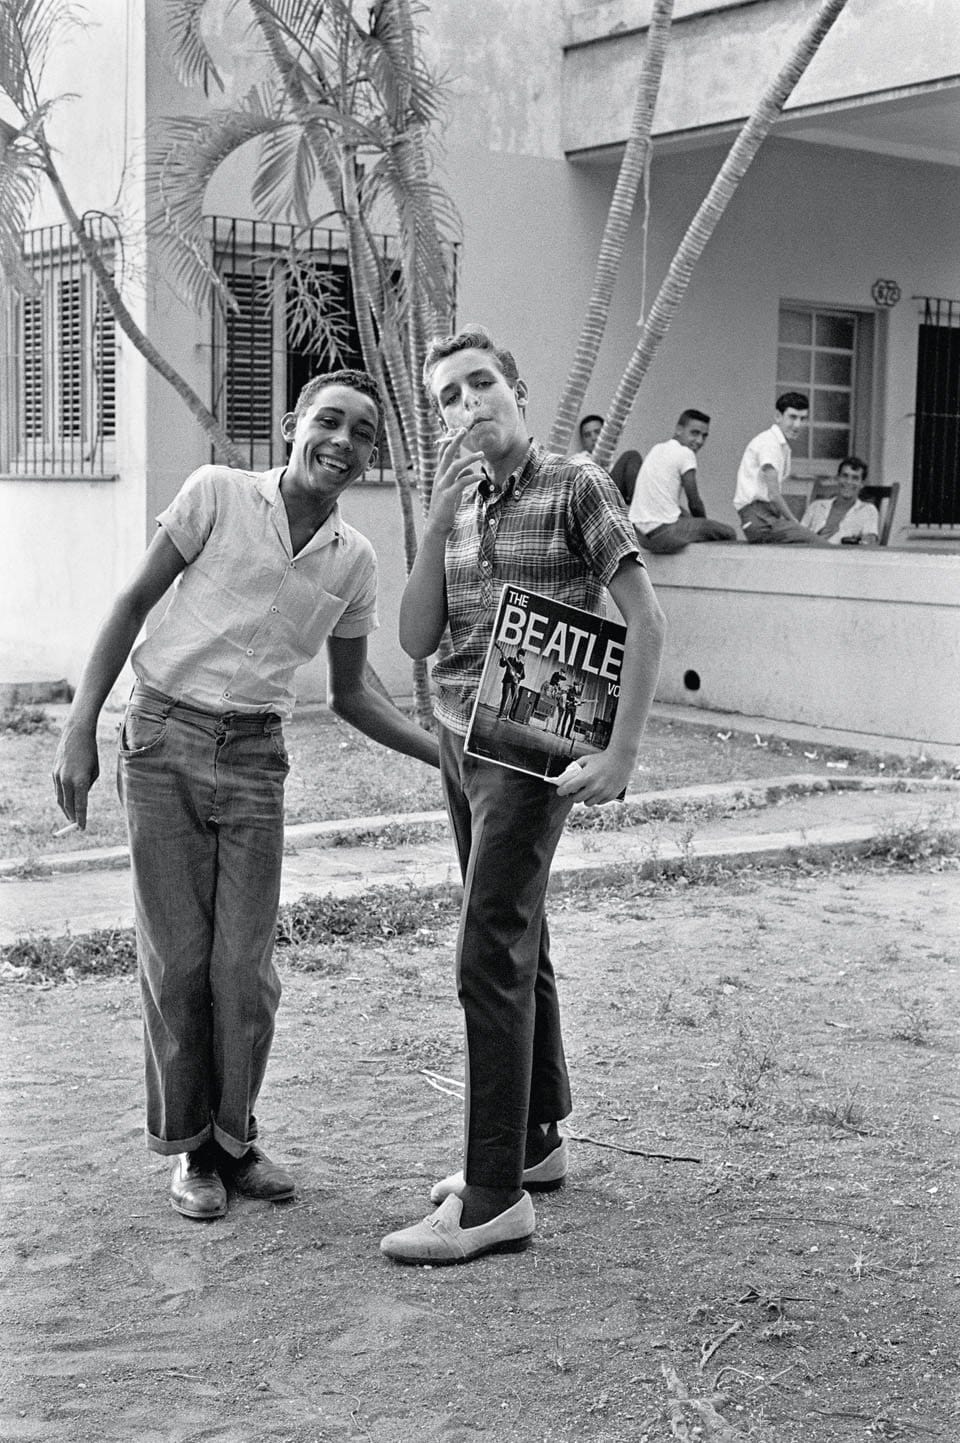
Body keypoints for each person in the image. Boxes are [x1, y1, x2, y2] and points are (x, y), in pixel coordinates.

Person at [52, 369, 440, 1223]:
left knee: (244, 970)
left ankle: (235, 1138)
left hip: (258, 759)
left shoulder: (355, 559)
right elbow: (132, 602)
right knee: (178, 961)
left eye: (363, 434)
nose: (342, 442)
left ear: (372, 455)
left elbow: (352, 692)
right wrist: (81, 727)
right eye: (329, 421)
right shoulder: (216, 494)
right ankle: (191, 1150)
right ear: (293, 424)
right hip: (162, 741)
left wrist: (441, 755)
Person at [381, 325, 665, 1266]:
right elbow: (416, 639)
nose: (468, 405)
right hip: (460, 739)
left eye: (481, 384)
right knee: (518, 934)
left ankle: (493, 1195)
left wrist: (621, 752)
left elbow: (646, 617)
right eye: (449, 397)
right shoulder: (460, 505)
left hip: (532, 747)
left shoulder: (576, 484)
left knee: (486, 952)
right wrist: (433, 525)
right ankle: (535, 1141)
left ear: (518, 389)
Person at [629, 410, 737, 553]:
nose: (699, 441)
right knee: (728, 533)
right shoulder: (686, 453)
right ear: (679, 430)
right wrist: (703, 524)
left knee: (683, 513)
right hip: (663, 534)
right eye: (695, 433)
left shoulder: (657, 448)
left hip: (641, 536)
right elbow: (694, 502)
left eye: (704, 436)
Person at [734, 393, 830, 545]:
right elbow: (773, 495)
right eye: (792, 417)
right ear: (778, 416)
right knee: (819, 545)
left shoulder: (779, 445)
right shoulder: (769, 443)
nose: (797, 425)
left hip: (767, 517)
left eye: (802, 419)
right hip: (759, 519)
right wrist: (794, 522)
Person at [801, 457, 880, 546]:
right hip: (811, 553)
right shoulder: (816, 506)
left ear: (862, 484)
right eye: (845, 476)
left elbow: (870, 542)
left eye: (855, 478)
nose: (848, 482)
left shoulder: (868, 510)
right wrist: (816, 539)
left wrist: (864, 540)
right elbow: (797, 538)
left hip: (847, 554)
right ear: (837, 478)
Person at [570, 413, 641, 507]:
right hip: (593, 501)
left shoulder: (617, 463)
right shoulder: (577, 460)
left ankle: (637, 507)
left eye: (597, 432)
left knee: (633, 458)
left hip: (614, 498)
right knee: (631, 455)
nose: (593, 438)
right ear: (583, 441)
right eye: (587, 435)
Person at [496, 646, 526, 718]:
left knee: (515, 698)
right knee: (505, 697)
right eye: (520, 655)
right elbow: (502, 665)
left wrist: (519, 676)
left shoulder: (521, 665)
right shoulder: (510, 659)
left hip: (514, 682)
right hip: (507, 680)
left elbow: (523, 676)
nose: (521, 657)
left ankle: (510, 715)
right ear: (517, 654)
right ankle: (500, 713)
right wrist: (502, 658)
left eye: (522, 656)